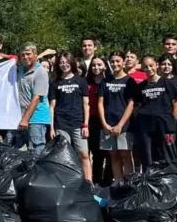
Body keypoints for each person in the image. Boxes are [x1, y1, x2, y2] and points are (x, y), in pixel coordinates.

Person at [130, 55, 177, 170]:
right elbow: (136, 105)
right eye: (145, 67)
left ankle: (168, 182)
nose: (149, 69)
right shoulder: (140, 87)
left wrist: (171, 125)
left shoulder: (168, 83)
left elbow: (176, 107)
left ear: (157, 65)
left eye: (151, 65)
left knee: (166, 157)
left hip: (165, 127)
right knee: (148, 159)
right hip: (146, 128)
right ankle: (150, 183)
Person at [48, 51, 91, 180]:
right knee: (64, 156)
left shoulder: (81, 81)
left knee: (84, 154)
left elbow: (86, 105)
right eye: (61, 62)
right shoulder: (55, 83)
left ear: (71, 63)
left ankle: (88, 184)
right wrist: (52, 128)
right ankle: (67, 184)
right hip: (61, 123)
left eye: (66, 62)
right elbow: (52, 107)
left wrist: (86, 125)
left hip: (78, 123)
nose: (64, 64)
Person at [9, 44, 50, 157]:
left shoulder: (40, 72)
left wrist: (25, 120)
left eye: (28, 54)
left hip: (36, 118)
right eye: (23, 55)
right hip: (22, 117)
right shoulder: (21, 70)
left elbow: (36, 98)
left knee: (36, 153)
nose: (25, 57)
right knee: (15, 150)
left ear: (35, 55)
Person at [100, 51, 135, 182]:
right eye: (112, 61)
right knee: (113, 155)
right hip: (108, 123)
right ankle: (118, 184)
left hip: (124, 125)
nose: (115, 64)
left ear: (123, 62)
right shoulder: (105, 81)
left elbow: (131, 103)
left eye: (118, 61)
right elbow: (100, 103)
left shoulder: (129, 81)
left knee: (125, 155)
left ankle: (129, 184)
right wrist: (104, 124)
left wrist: (120, 124)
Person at [85, 56, 110, 185]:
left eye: (99, 65)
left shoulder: (109, 82)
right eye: (94, 65)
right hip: (89, 120)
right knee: (88, 153)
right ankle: (90, 182)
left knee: (102, 153)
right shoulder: (85, 82)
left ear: (105, 66)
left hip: (105, 120)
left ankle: (103, 183)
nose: (96, 67)